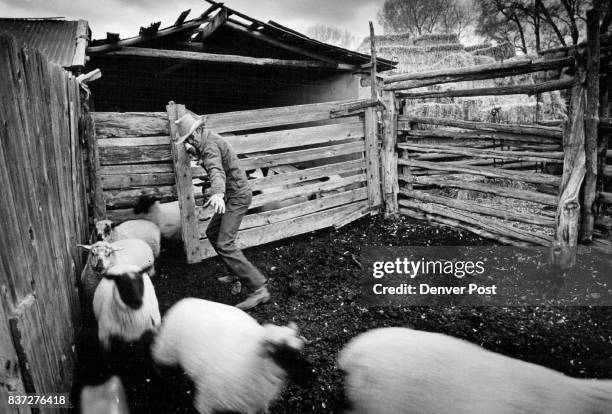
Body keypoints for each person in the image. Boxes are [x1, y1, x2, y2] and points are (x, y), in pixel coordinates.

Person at [175, 113, 270, 310]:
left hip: (237, 197)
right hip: (231, 195)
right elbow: (211, 161)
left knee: (225, 243)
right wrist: (193, 151)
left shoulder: (209, 147)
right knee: (212, 233)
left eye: (192, 137)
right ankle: (235, 273)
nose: (191, 141)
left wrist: (217, 193)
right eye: (187, 139)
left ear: (199, 130)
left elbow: (215, 169)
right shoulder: (207, 140)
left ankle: (259, 289)